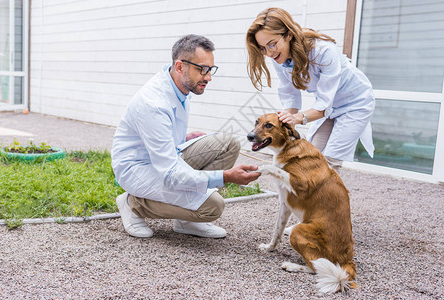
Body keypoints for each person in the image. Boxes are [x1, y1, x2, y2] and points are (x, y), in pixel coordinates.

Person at [111, 34, 260, 239]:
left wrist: (185, 139)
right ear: (180, 66)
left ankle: (186, 221)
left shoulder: (180, 86)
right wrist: (226, 176)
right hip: (138, 169)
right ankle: (133, 203)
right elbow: (171, 174)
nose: (208, 77)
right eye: (202, 69)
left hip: (163, 160)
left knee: (228, 144)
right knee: (212, 207)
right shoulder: (153, 103)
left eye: (210, 69)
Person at [246, 7, 375, 170]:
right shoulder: (279, 57)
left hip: (355, 103)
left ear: (288, 35)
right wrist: (287, 119)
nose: (269, 53)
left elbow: (324, 104)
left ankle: (326, 195)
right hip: (329, 106)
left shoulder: (324, 51)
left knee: (330, 161)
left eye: (272, 44)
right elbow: (290, 93)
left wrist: (298, 118)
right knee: (312, 155)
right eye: (263, 48)